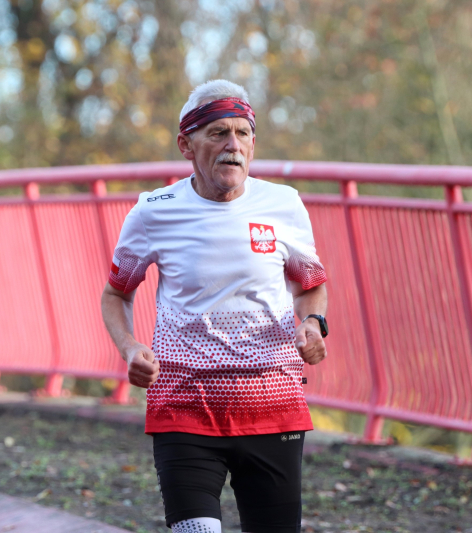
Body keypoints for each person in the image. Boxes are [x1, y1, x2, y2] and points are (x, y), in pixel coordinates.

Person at [101, 79, 329, 533]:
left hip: (272, 405)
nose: (233, 145)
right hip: (183, 406)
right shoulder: (153, 211)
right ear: (186, 145)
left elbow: (311, 285)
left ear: (253, 145)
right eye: (218, 133)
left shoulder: (284, 205)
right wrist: (129, 347)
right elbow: (116, 293)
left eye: (243, 133)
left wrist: (312, 322)